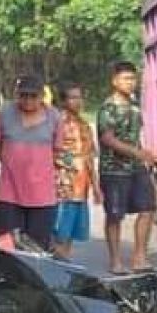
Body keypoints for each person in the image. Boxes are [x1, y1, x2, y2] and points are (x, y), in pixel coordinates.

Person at [97, 60, 157, 274]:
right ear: (114, 81)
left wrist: (143, 155)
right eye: (126, 78)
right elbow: (108, 139)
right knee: (115, 215)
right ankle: (115, 261)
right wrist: (137, 153)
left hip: (136, 168)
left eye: (133, 78)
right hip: (113, 170)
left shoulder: (134, 106)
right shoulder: (108, 108)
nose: (130, 82)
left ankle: (139, 257)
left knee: (148, 208)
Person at [0, 74, 61, 250]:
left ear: (41, 96)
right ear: (17, 95)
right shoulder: (5, 113)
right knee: (5, 247)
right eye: (24, 95)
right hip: (10, 193)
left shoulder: (54, 117)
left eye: (33, 96)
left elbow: (56, 151)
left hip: (42, 197)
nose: (28, 100)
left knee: (37, 249)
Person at [52, 82, 102, 261]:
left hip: (82, 188)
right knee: (60, 232)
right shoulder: (56, 122)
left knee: (72, 232)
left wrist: (96, 186)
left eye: (79, 97)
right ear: (64, 101)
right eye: (72, 97)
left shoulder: (84, 125)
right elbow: (52, 152)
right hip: (62, 187)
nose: (77, 101)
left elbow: (89, 157)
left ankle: (65, 262)